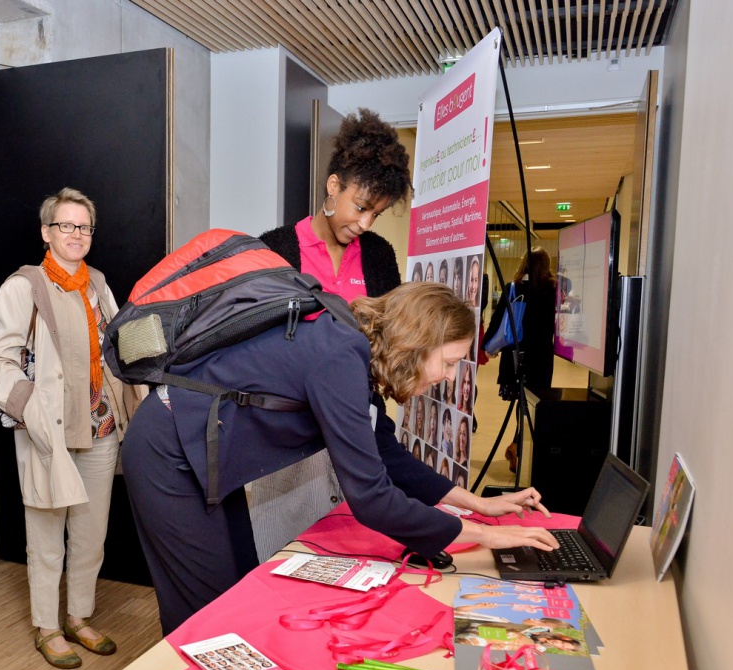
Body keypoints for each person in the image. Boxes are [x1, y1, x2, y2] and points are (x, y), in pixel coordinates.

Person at [122, 282, 558, 633]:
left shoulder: (354, 349)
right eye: (447, 362)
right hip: (170, 452)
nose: (447, 377)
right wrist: (482, 536)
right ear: (417, 342)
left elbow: (386, 452)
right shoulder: (340, 356)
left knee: (236, 589)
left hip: (207, 452)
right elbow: (371, 498)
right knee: (206, 611)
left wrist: (477, 504)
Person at [0, 188, 141, 669]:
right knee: (46, 536)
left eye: (84, 227)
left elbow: (116, 350)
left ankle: (80, 617)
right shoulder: (23, 288)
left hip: (101, 429)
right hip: (49, 433)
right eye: (65, 226)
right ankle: (47, 627)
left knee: (91, 535)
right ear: (46, 233)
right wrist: (28, 407)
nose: (76, 235)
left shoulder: (99, 286)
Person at [251, 107, 410, 557]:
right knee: (280, 555)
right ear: (333, 185)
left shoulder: (378, 256)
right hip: (287, 436)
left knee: (358, 553)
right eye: (360, 207)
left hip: (359, 423)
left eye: (375, 214)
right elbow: (260, 349)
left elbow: (388, 341)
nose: (364, 224)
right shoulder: (275, 250)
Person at [484, 247, 557, 471]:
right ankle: (518, 446)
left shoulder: (513, 288)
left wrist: (487, 346)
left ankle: (517, 446)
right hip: (541, 358)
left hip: (516, 357)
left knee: (521, 402)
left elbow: (498, 321)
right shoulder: (552, 291)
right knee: (534, 404)